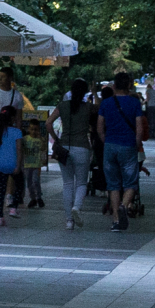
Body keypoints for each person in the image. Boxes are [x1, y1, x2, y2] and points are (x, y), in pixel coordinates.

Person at [96, 72, 146, 232]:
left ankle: (116, 220)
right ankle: (124, 206)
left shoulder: (106, 103)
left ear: (114, 86)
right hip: (128, 145)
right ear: (129, 85)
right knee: (131, 182)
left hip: (110, 145)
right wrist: (136, 143)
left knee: (113, 184)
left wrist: (106, 140)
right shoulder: (134, 103)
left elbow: (99, 127)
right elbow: (139, 128)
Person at [51, 78, 96, 230]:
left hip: (64, 146)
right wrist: (95, 93)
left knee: (67, 183)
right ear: (85, 92)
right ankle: (76, 207)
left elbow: (48, 123)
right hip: (82, 147)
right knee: (81, 183)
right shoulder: (88, 107)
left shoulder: (62, 106)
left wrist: (56, 138)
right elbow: (101, 108)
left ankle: (69, 221)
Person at [0, 106, 23, 227]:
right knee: (20, 185)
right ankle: (13, 208)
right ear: (12, 118)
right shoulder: (17, 132)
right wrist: (18, 165)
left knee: (0, 191)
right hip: (13, 165)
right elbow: (19, 150)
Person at [21, 115, 48, 210]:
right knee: (29, 182)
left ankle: (38, 197)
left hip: (36, 164)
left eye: (36, 129)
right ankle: (33, 198)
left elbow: (44, 148)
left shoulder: (40, 139)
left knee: (36, 181)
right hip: (27, 164)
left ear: (39, 130)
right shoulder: (25, 139)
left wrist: (41, 139)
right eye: (32, 129)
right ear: (28, 129)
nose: (33, 131)